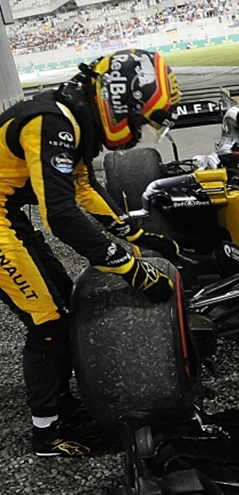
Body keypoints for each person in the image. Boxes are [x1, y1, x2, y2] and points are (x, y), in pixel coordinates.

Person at [0, 49, 181, 457]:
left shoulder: (70, 118)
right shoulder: (51, 123)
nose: (136, 133)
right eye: (139, 121)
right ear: (119, 102)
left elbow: (82, 187)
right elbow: (61, 216)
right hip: (1, 222)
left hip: (7, 216)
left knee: (64, 305)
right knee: (46, 321)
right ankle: (46, 434)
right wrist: (128, 267)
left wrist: (135, 233)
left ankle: (61, 406)